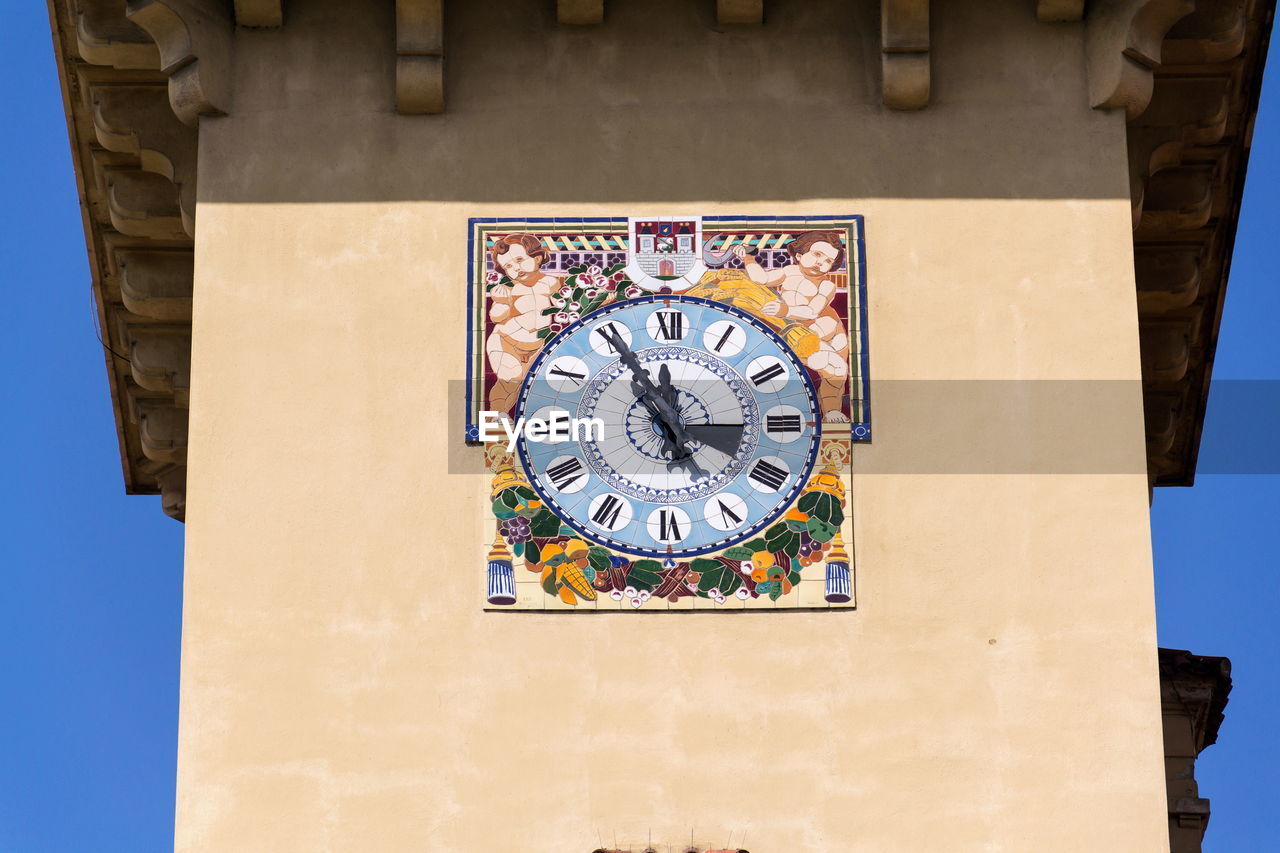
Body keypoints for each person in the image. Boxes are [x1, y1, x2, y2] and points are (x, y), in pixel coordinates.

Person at [732, 230, 851, 421]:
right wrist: (749, 258)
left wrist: (784, 311)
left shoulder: (827, 285)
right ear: (799, 254)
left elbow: (812, 311)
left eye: (828, 260)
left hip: (829, 333)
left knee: (837, 373)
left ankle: (831, 412)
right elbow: (761, 279)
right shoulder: (789, 271)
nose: (821, 262)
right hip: (800, 332)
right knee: (832, 368)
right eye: (817, 254)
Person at [485, 234, 556, 415]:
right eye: (508, 266)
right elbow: (495, 317)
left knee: (535, 386)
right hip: (506, 342)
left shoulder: (554, 283)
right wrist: (502, 302)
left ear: (537, 257)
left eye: (519, 260)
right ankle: (496, 417)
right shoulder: (508, 289)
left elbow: (573, 305)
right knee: (511, 379)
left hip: (540, 345)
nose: (515, 268)